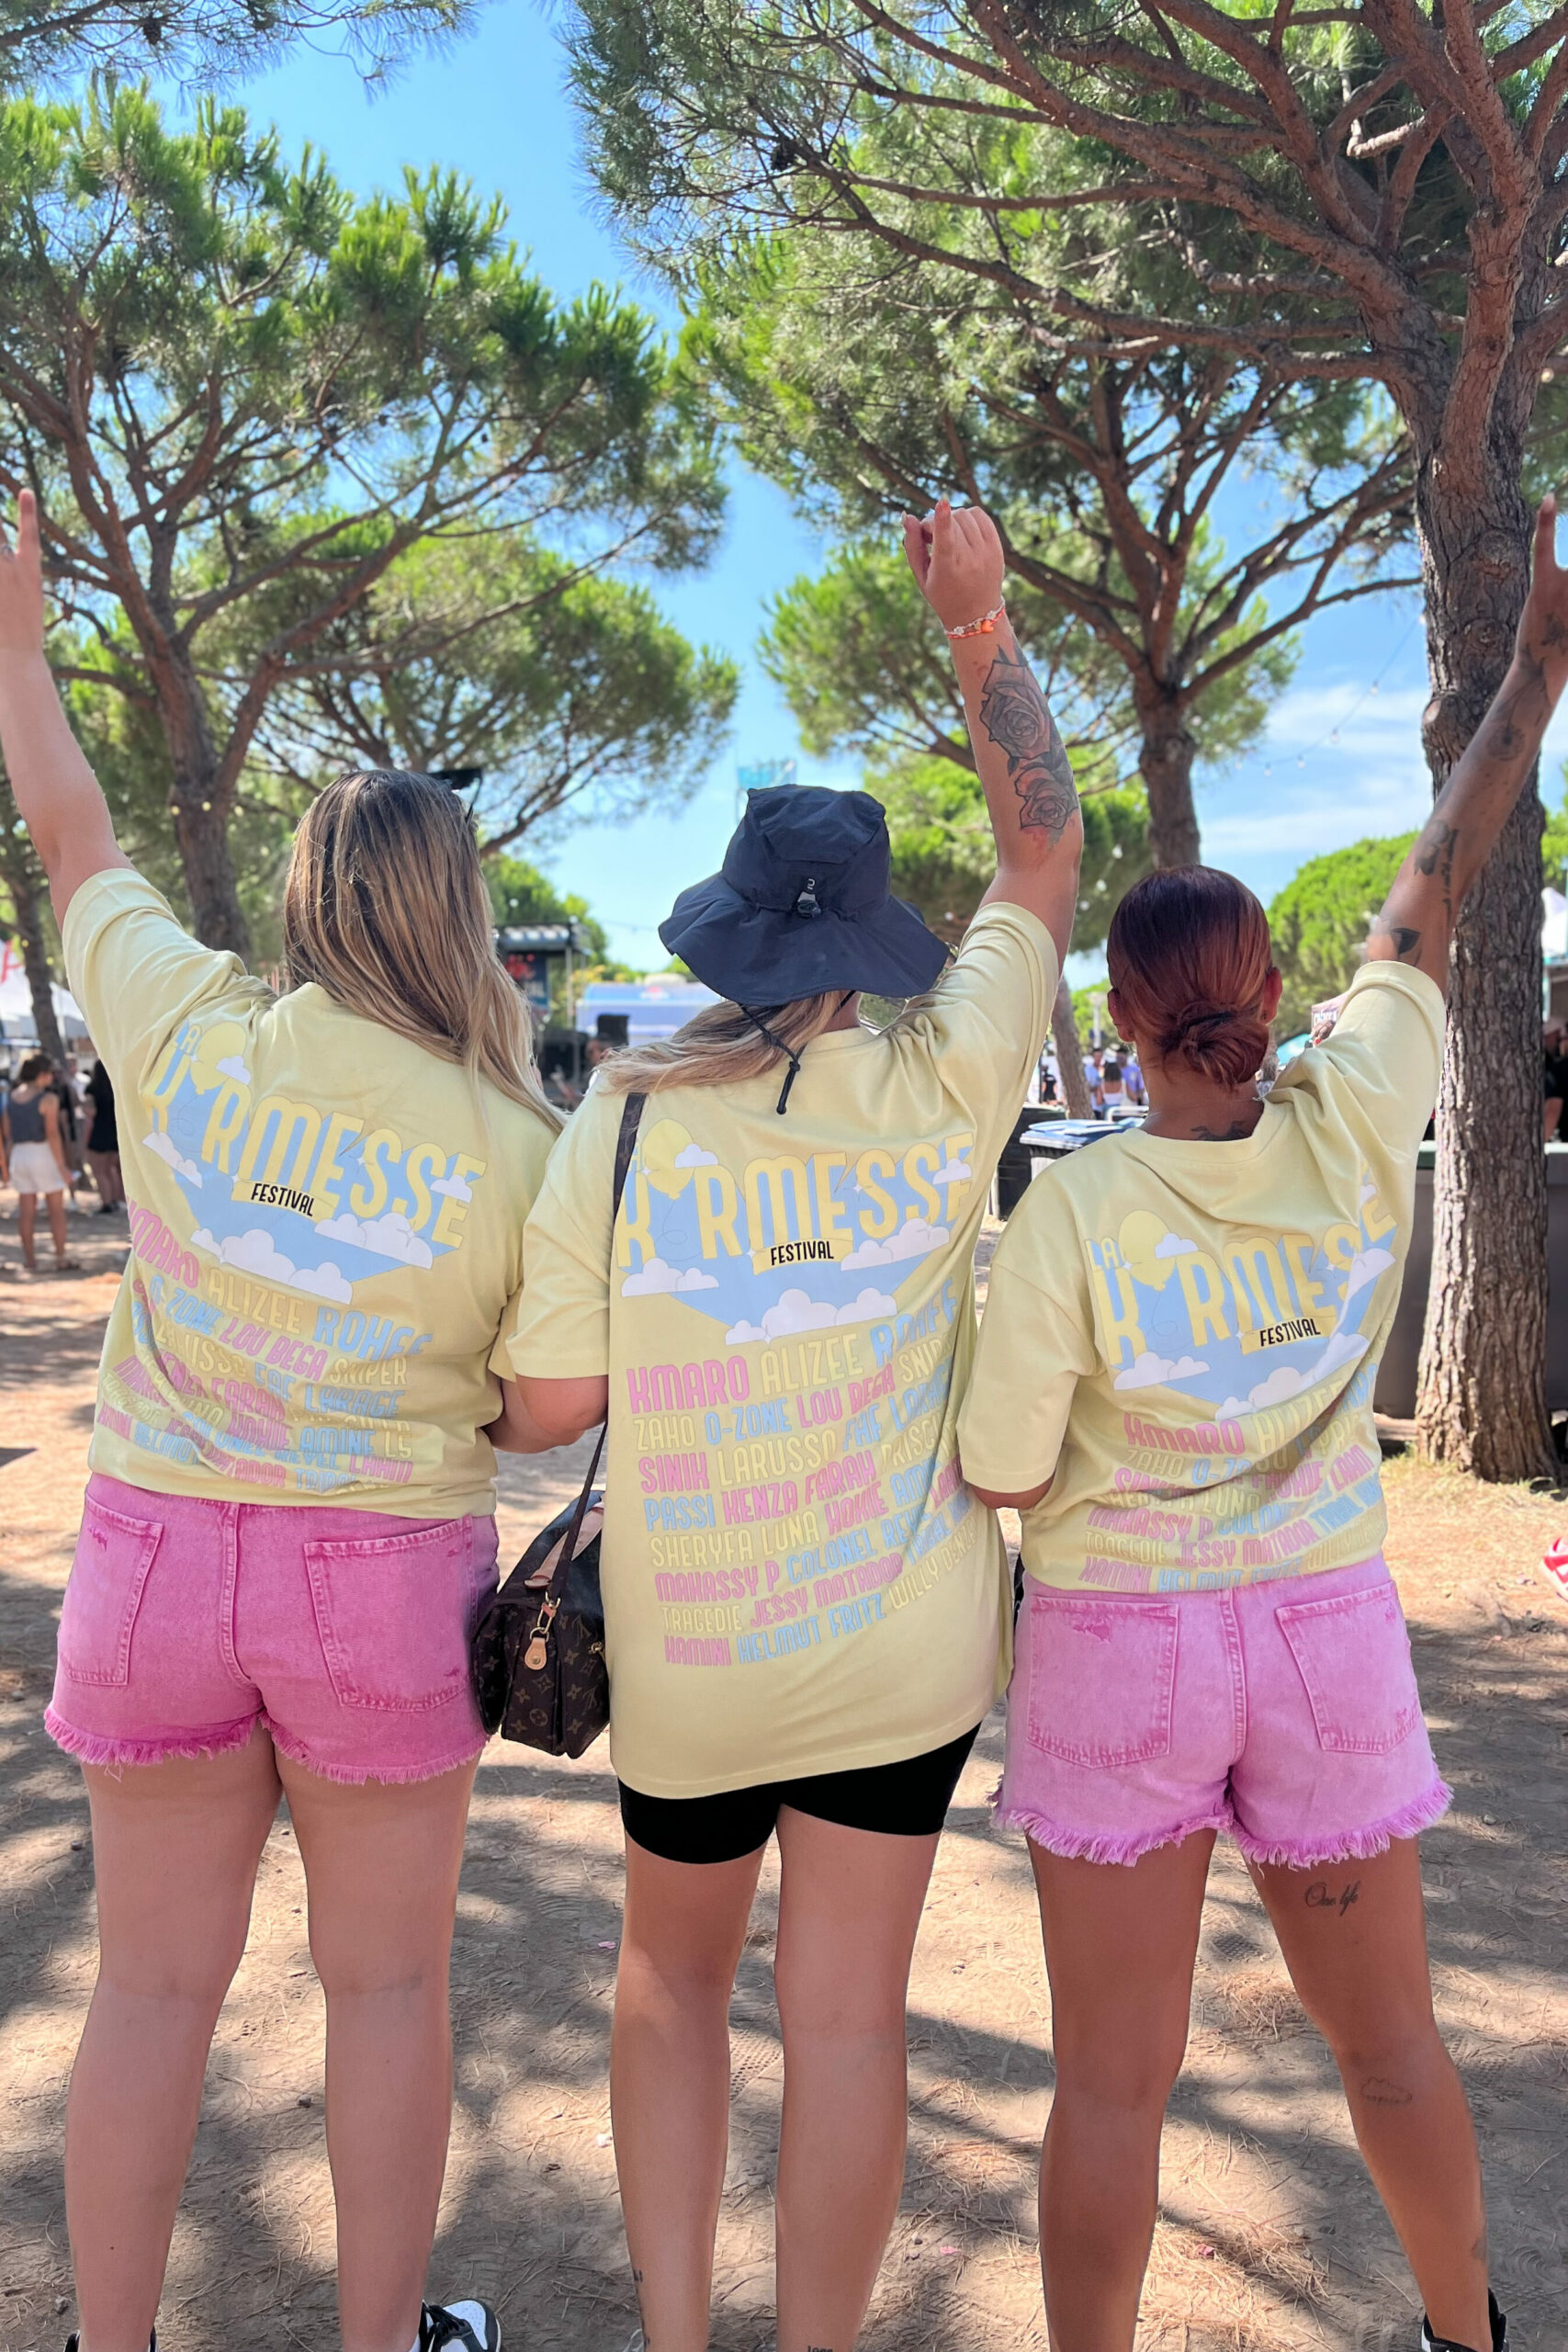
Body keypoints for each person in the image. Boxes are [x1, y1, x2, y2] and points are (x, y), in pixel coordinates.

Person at [955, 498, 1568, 2352]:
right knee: (1388, 2043)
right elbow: (1435, 877)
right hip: (1319, 1638)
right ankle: (1472, 2338)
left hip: (1115, 1651)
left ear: (1117, 1017)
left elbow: (994, 1468)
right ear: (1272, 994)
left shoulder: (1069, 1216)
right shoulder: (1355, 1110)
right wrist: (1531, 662)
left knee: (1111, 2087)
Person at [490, 501, 1082, 2352]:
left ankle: (676, 2335)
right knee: (845, 2021)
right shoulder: (950, 1070)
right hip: (900, 1646)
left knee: (668, 1991)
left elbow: (550, 1406)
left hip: (692, 1641)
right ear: (878, 937)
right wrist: (977, 627)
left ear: (733, 936)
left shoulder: (631, 1116)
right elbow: (1045, 839)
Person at [0, 486, 564, 2352]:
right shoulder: (519, 1143)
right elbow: (537, 1407)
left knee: (150, 1990)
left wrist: (19, 633)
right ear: (461, 917)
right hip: (384, 1578)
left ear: (314, 899)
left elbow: (71, 819)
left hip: (155, 1555)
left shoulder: (183, 1025)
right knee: (386, 1987)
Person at [3, 1048, 77, 1272]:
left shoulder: (11, 1098)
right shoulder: (48, 1098)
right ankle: (61, 1258)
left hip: (19, 1155)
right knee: (56, 1208)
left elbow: (7, 1135)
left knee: (26, 1210)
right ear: (41, 1074)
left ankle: (29, 1259)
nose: (52, 1077)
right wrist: (63, 1167)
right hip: (42, 1153)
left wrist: (6, 1166)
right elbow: (52, 1134)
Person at [83, 1052, 125, 1212]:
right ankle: (116, 1200)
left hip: (99, 1134)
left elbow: (90, 1111)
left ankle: (107, 1203)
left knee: (99, 1171)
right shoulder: (116, 1088)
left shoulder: (92, 1088)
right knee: (111, 1170)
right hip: (116, 1134)